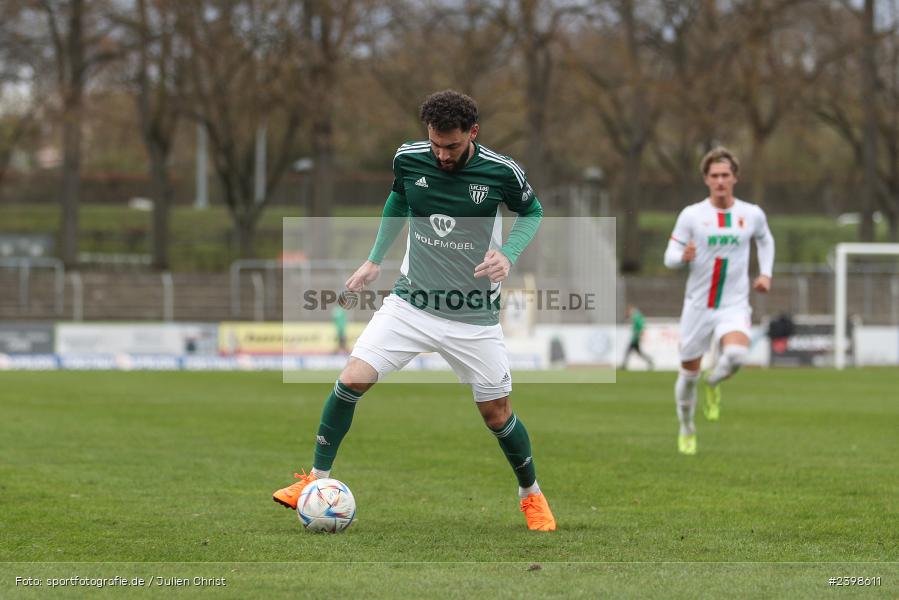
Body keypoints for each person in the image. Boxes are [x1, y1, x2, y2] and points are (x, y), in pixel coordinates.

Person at [273, 90, 555, 530]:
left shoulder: (501, 171)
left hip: (472, 312)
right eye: (436, 144)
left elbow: (532, 212)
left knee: (496, 413)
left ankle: (531, 495)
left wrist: (510, 254)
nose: (442, 154)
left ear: (473, 133)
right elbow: (399, 200)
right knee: (351, 379)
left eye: (453, 146)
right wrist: (374, 259)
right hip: (411, 302)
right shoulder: (408, 157)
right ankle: (314, 480)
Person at [663, 147, 774, 455]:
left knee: (737, 355)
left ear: (735, 177)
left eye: (726, 175)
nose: (720, 180)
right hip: (698, 306)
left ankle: (713, 384)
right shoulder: (692, 215)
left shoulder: (751, 214)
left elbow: (766, 239)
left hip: (734, 304)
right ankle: (687, 426)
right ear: (706, 179)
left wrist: (765, 274)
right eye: (715, 176)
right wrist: (681, 257)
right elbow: (670, 256)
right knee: (688, 374)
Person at [620, 304, 654, 370]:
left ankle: (624, 365)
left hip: (635, 339)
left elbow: (640, 326)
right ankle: (650, 361)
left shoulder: (636, 317)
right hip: (635, 338)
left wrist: (638, 334)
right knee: (638, 353)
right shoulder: (636, 316)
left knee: (628, 351)